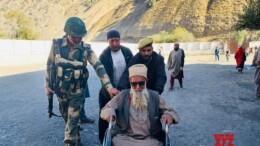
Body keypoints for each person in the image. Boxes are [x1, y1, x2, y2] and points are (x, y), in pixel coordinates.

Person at [44, 17, 119, 146]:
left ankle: (70, 143)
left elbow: (99, 67)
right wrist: (47, 85)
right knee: (68, 119)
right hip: (61, 91)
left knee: (72, 122)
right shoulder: (57, 45)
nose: (78, 39)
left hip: (77, 92)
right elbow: (50, 65)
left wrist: (109, 87)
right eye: (75, 36)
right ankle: (77, 142)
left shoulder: (86, 48)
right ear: (67, 33)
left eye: (80, 36)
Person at [100, 64, 180, 146]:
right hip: (125, 138)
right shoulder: (123, 95)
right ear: (130, 83)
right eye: (134, 84)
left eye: (141, 83)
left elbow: (173, 112)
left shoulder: (154, 96)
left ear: (146, 81)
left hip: (149, 139)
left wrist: (168, 115)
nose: (138, 87)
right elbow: (106, 109)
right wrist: (110, 113)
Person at [98, 30, 133, 143]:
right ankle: (103, 140)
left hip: (125, 91)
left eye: (116, 40)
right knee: (105, 117)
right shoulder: (104, 56)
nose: (114, 43)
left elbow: (130, 71)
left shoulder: (127, 52)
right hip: (107, 93)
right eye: (111, 41)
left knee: (126, 116)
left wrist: (122, 89)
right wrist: (111, 90)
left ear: (120, 40)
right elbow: (104, 76)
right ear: (108, 41)